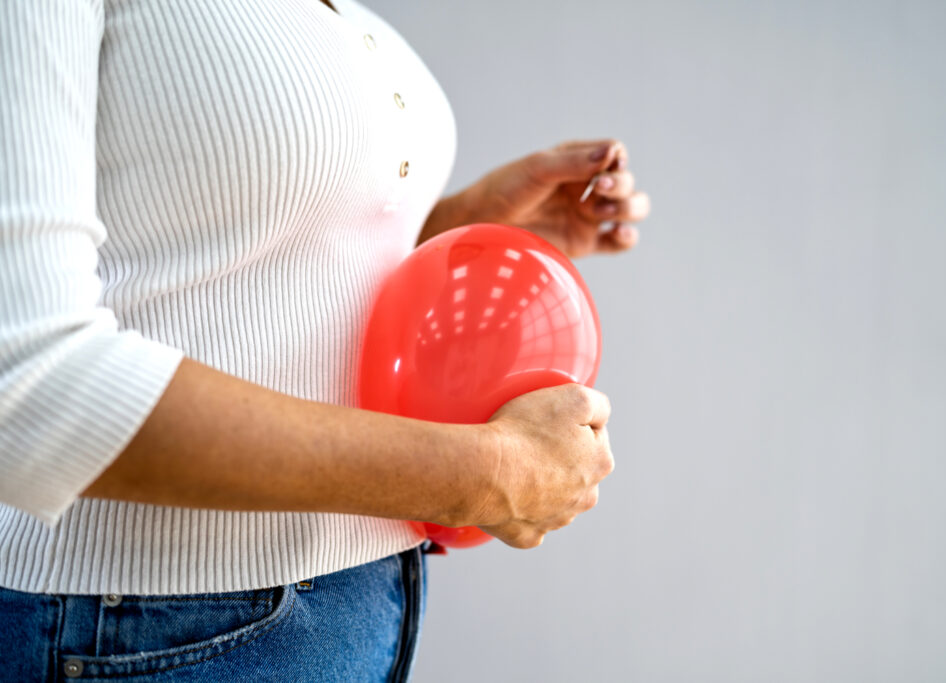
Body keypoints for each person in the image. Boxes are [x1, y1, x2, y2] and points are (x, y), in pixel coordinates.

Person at [0, 0, 650, 680]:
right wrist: (484, 473)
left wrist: (453, 227)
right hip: (151, 626)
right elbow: (27, 383)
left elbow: (236, 277)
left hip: (364, 595)